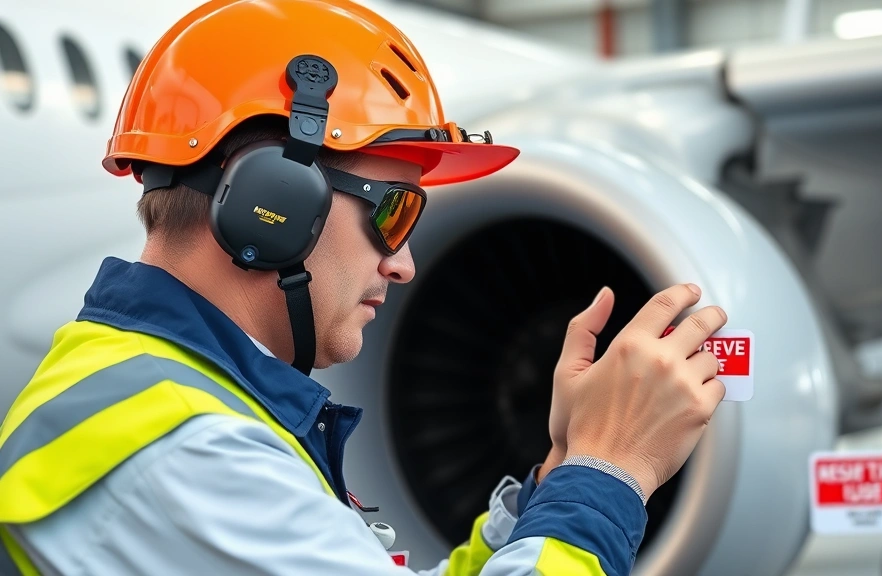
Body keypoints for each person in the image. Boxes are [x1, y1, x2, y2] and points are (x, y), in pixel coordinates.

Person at [0, 1, 728, 575]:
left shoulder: (165, 407)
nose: (405, 263)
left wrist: (561, 471)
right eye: (394, 210)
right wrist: (611, 473)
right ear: (273, 198)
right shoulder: (185, 449)